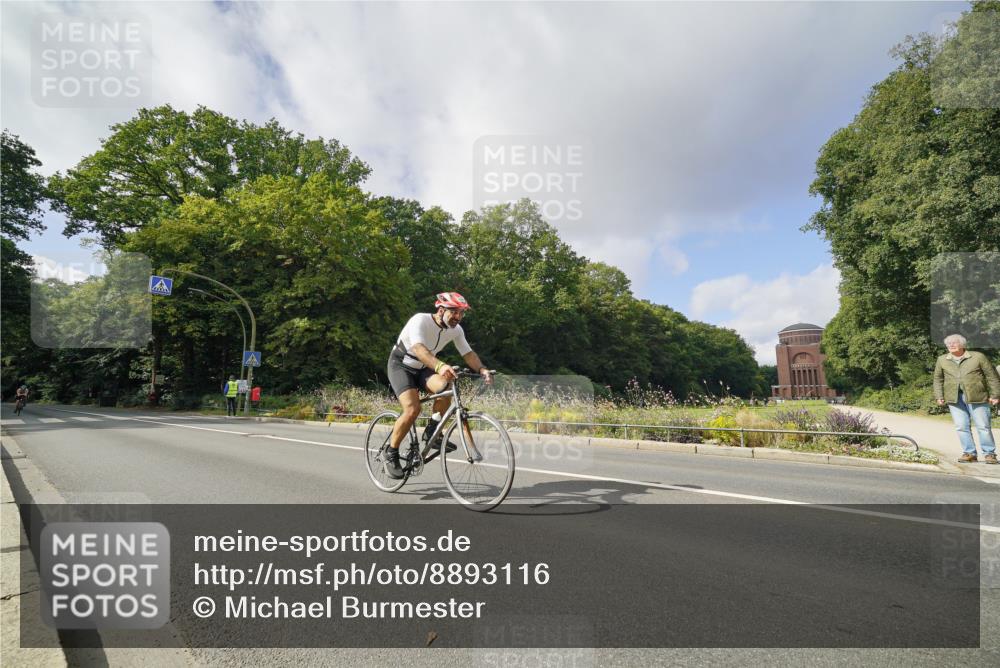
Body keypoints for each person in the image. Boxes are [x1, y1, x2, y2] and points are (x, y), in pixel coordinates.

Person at [384, 292, 492, 478]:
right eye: (454, 312)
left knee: (446, 388)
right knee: (412, 409)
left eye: (461, 313)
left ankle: (432, 431)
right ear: (441, 310)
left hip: (423, 367)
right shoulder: (420, 320)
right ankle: (391, 452)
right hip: (401, 365)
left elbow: (468, 354)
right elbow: (419, 349)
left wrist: (482, 369)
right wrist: (440, 365)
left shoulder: (456, 330)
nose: (458, 317)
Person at [934, 334, 1000, 464]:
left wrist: (995, 395)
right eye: (948, 343)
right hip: (954, 398)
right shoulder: (942, 359)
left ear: (963, 345)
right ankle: (969, 453)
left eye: (954, 343)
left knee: (983, 426)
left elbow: (991, 376)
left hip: (978, 396)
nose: (951, 345)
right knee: (961, 426)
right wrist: (939, 396)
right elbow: (938, 379)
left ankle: (989, 454)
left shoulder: (978, 357)